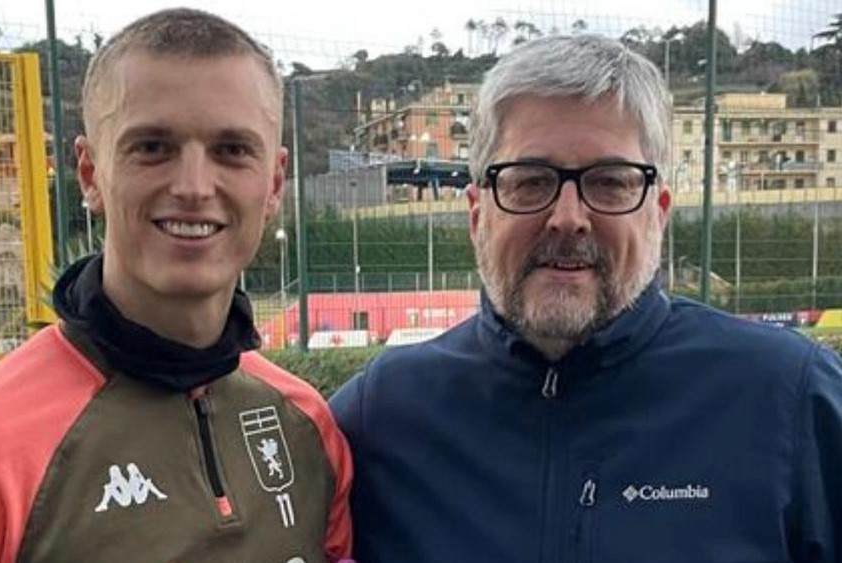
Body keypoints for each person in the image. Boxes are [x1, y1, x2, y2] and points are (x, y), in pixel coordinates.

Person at [0, 8, 353, 563]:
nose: (193, 187)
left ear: (275, 183)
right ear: (90, 174)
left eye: (232, 150)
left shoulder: (307, 426)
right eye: (153, 147)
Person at [330, 34, 842, 562]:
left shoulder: (791, 399)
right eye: (530, 182)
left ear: (659, 212)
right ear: (477, 214)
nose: (569, 218)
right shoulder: (381, 418)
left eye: (610, 182)